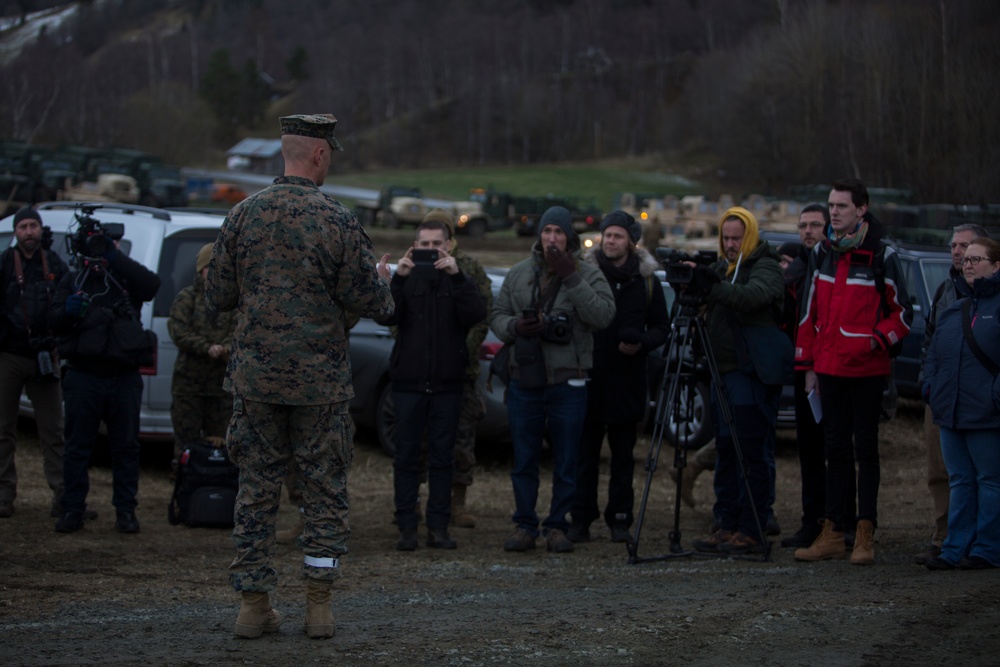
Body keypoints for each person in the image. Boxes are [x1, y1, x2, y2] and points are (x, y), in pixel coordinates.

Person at [206, 114, 394, 639]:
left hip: (255, 381)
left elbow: (216, 296)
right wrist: (379, 281)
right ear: (318, 154)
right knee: (324, 492)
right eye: (329, 152)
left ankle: (252, 605)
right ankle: (318, 606)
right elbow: (374, 304)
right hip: (320, 385)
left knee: (255, 491)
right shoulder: (337, 220)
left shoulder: (243, 216)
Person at [794, 178, 912, 565]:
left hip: (865, 370)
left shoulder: (882, 254)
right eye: (831, 205)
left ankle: (865, 532)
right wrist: (807, 364)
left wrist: (874, 340)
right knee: (835, 451)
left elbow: (903, 315)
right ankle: (833, 531)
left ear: (861, 209)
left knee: (866, 450)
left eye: (841, 206)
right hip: (828, 368)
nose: (833, 212)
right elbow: (809, 314)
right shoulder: (823, 252)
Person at [490, 205, 615, 553]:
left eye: (558, 232)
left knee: (567, 459)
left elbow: (603, 316)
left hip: (568, 381)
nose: (552, 238)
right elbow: (497, 315)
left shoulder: (587, 273)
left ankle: (558, 526)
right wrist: (515, 327)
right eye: (547, 232)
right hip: (524, 379)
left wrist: (571, 276)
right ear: (539, 235)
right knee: (525, 458)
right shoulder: (519, 273)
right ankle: (524, 525)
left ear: (569, 237)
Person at [377, 214, 487, 551]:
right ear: (415, 246)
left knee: (443, 458)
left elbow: (476, 314)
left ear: (448, 245)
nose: (430, 249)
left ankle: (438, 528)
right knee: (406, 457)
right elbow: (386, 316)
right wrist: (397, 279)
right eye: (423, 244)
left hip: (447, 384)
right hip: (409, 384)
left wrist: (456, 276)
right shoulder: (406, 279)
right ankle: (407, 527)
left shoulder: (459, 279)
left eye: (436, 244)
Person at [54, 216, 161, 534]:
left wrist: (115, 257)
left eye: (109, 243)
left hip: (123, 377)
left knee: (126, 447)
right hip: (83, 375)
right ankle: (72, 508)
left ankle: (125, 511)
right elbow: (53, 323)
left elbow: (152, 285)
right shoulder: (75, 279)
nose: (101, 249)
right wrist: (67, 311)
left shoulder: (126, 280)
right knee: (77, 447)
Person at [689, 206, 785, 556]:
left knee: (750, 451)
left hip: (751, 374)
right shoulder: (722, 270)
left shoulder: (767, 267)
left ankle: (752, 527)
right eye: (726, 238)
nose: (731, 244)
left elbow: (750, 297)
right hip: (722, 372)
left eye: (737, 237)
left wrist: (711, 287)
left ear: (751, 235)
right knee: (726, 449)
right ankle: (726, 523)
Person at [570, 210, 669, 543]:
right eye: (606, 235)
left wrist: (641, 343)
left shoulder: (646, 281)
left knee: (624, 457)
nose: (610, 241)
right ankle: (580, 518)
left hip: (628, 380)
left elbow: (661, 328)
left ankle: (620, 518)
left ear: (631, 241)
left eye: (617, 236)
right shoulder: (585, 274)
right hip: (590, 379)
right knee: (585, 456)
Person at [780, 204, 856, 549]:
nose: (808, 231)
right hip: (803, 367)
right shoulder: (795, 269)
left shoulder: (836, 260)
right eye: (802, 226)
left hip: (836, 368)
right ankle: (813, 522)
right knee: (809, 450)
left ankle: (844, 520)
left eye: (815, 225)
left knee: (838, 448)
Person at [913, 223, 989, 565]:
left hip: (982, 403)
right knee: (942, 473)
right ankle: (945, 538)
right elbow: (929, 343)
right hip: (944, 398)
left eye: (966, 248)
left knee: (985, 477)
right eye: (955, 247)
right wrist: (928, 384)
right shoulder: (946, 291)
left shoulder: (992, 298)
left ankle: (983, 545)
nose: (959, 254)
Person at [422, 208, 492, 530]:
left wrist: (463, 350)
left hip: (461, 373)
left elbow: (482, 315)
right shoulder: (419, 263)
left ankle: (458, 502)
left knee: (461, 442)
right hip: (424, 372)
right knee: (424, 442)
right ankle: (427, 501)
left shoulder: (470, 269)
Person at [0, 207, 72, 520]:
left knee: (54, 430)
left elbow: (64, 308)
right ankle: (4, 494)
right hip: (10, 356)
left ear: (41, 230)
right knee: (3, 429)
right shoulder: (3, 263)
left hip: (46, 357)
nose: (29, 231)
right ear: (15, 232)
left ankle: (63, 494)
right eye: (24, 226)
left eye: (34, 226)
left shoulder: (55, 263)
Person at [167, 243, 237, 472]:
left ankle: (218, 496)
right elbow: (179, 331)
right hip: (189, 387)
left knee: (222, 445)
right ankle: (184, 497)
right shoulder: (186, 298)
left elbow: (240, 332)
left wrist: (225, 348)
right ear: (200, 270)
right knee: (186, 445)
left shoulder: (232, 302)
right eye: (210, 267)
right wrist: (207, 347)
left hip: (221, 388)